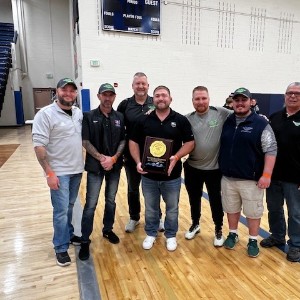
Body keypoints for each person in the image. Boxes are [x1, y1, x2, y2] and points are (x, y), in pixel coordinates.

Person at [129, 85, 195, 251]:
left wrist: (177, 156)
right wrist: (138, 161)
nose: (161, 98)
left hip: (172, 176)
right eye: (157, 96)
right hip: (148, 176)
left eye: (164, 95)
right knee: (151, 208)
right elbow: (133, 141)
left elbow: (190, 143)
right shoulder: (143, 120)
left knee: (172, 209)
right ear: (153, 99)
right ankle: (151, 233)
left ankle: (171, 235)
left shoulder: (180, 120)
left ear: (170, 99)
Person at [219, 87, 277, 258]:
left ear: (251, 102)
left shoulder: (261, 123)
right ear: (233, 103)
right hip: (228, 178)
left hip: (251, 180)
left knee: (253, 212)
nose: (240, 103)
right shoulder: (228, 121)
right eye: (237, 100)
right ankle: (233, 233)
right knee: (231, 209)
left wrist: (266, 175)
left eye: (244, 100)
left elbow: (271, 150)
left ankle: (252, 239)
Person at [32, 78, 84, 267]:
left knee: (69, 206)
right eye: (65, 90)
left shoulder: (78, 113)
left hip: (77, 170)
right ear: (57, 91)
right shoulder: (45, 115)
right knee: (61, 211)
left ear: (76, 94)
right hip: (59, 172)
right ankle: (60, 247)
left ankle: (69, 234)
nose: (68, 93)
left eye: (72, 90)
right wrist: (49, 173)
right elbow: (38, 146)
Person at [79, 83, 125, 261]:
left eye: (110, 95)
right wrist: (101, 158)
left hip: (114, 166)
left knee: (111, 201)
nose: (108, 98)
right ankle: (84, 240)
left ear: (114, 97)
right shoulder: (89, 116)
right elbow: (85, 141)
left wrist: (113, 159)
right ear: (98, 96)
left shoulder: (119, 117)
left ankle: (107, 230)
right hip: (95, 168)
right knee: (91, 204)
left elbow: (123, 140)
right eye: (104, 95)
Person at [184, 86, 232, 246]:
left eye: (203, 98)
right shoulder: (187, 118)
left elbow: (242, 115)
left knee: (215, 200)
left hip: (214, 169)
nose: (200, 101)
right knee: (194, 198)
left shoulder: (221, 112)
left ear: (209, 99)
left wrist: (260, 117)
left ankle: (218, 229)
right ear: (192, 101)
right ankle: (195, 224)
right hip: (192, 168)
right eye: (197, 99)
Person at [117, 72, 164, 233]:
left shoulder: (156, 102)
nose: (141, 86)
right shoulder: (125, 105)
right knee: (133, 188)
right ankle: (134, 217)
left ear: (148, 86)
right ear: (132, 86)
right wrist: (121, 153)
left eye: (143, 83)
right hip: (131, 156)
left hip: (154, 155)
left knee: (153, 188)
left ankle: (157, 217)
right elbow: (119, 131)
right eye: (137, 83)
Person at [260, 82, 300, 262]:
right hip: (273, 176)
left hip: (295, 178)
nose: (293, 96)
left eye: (297, 94)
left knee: (295, 213)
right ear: (284, 95)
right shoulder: (274, 117)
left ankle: (296, 245)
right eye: (289, 93)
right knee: (274, 208)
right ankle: (277, 235)